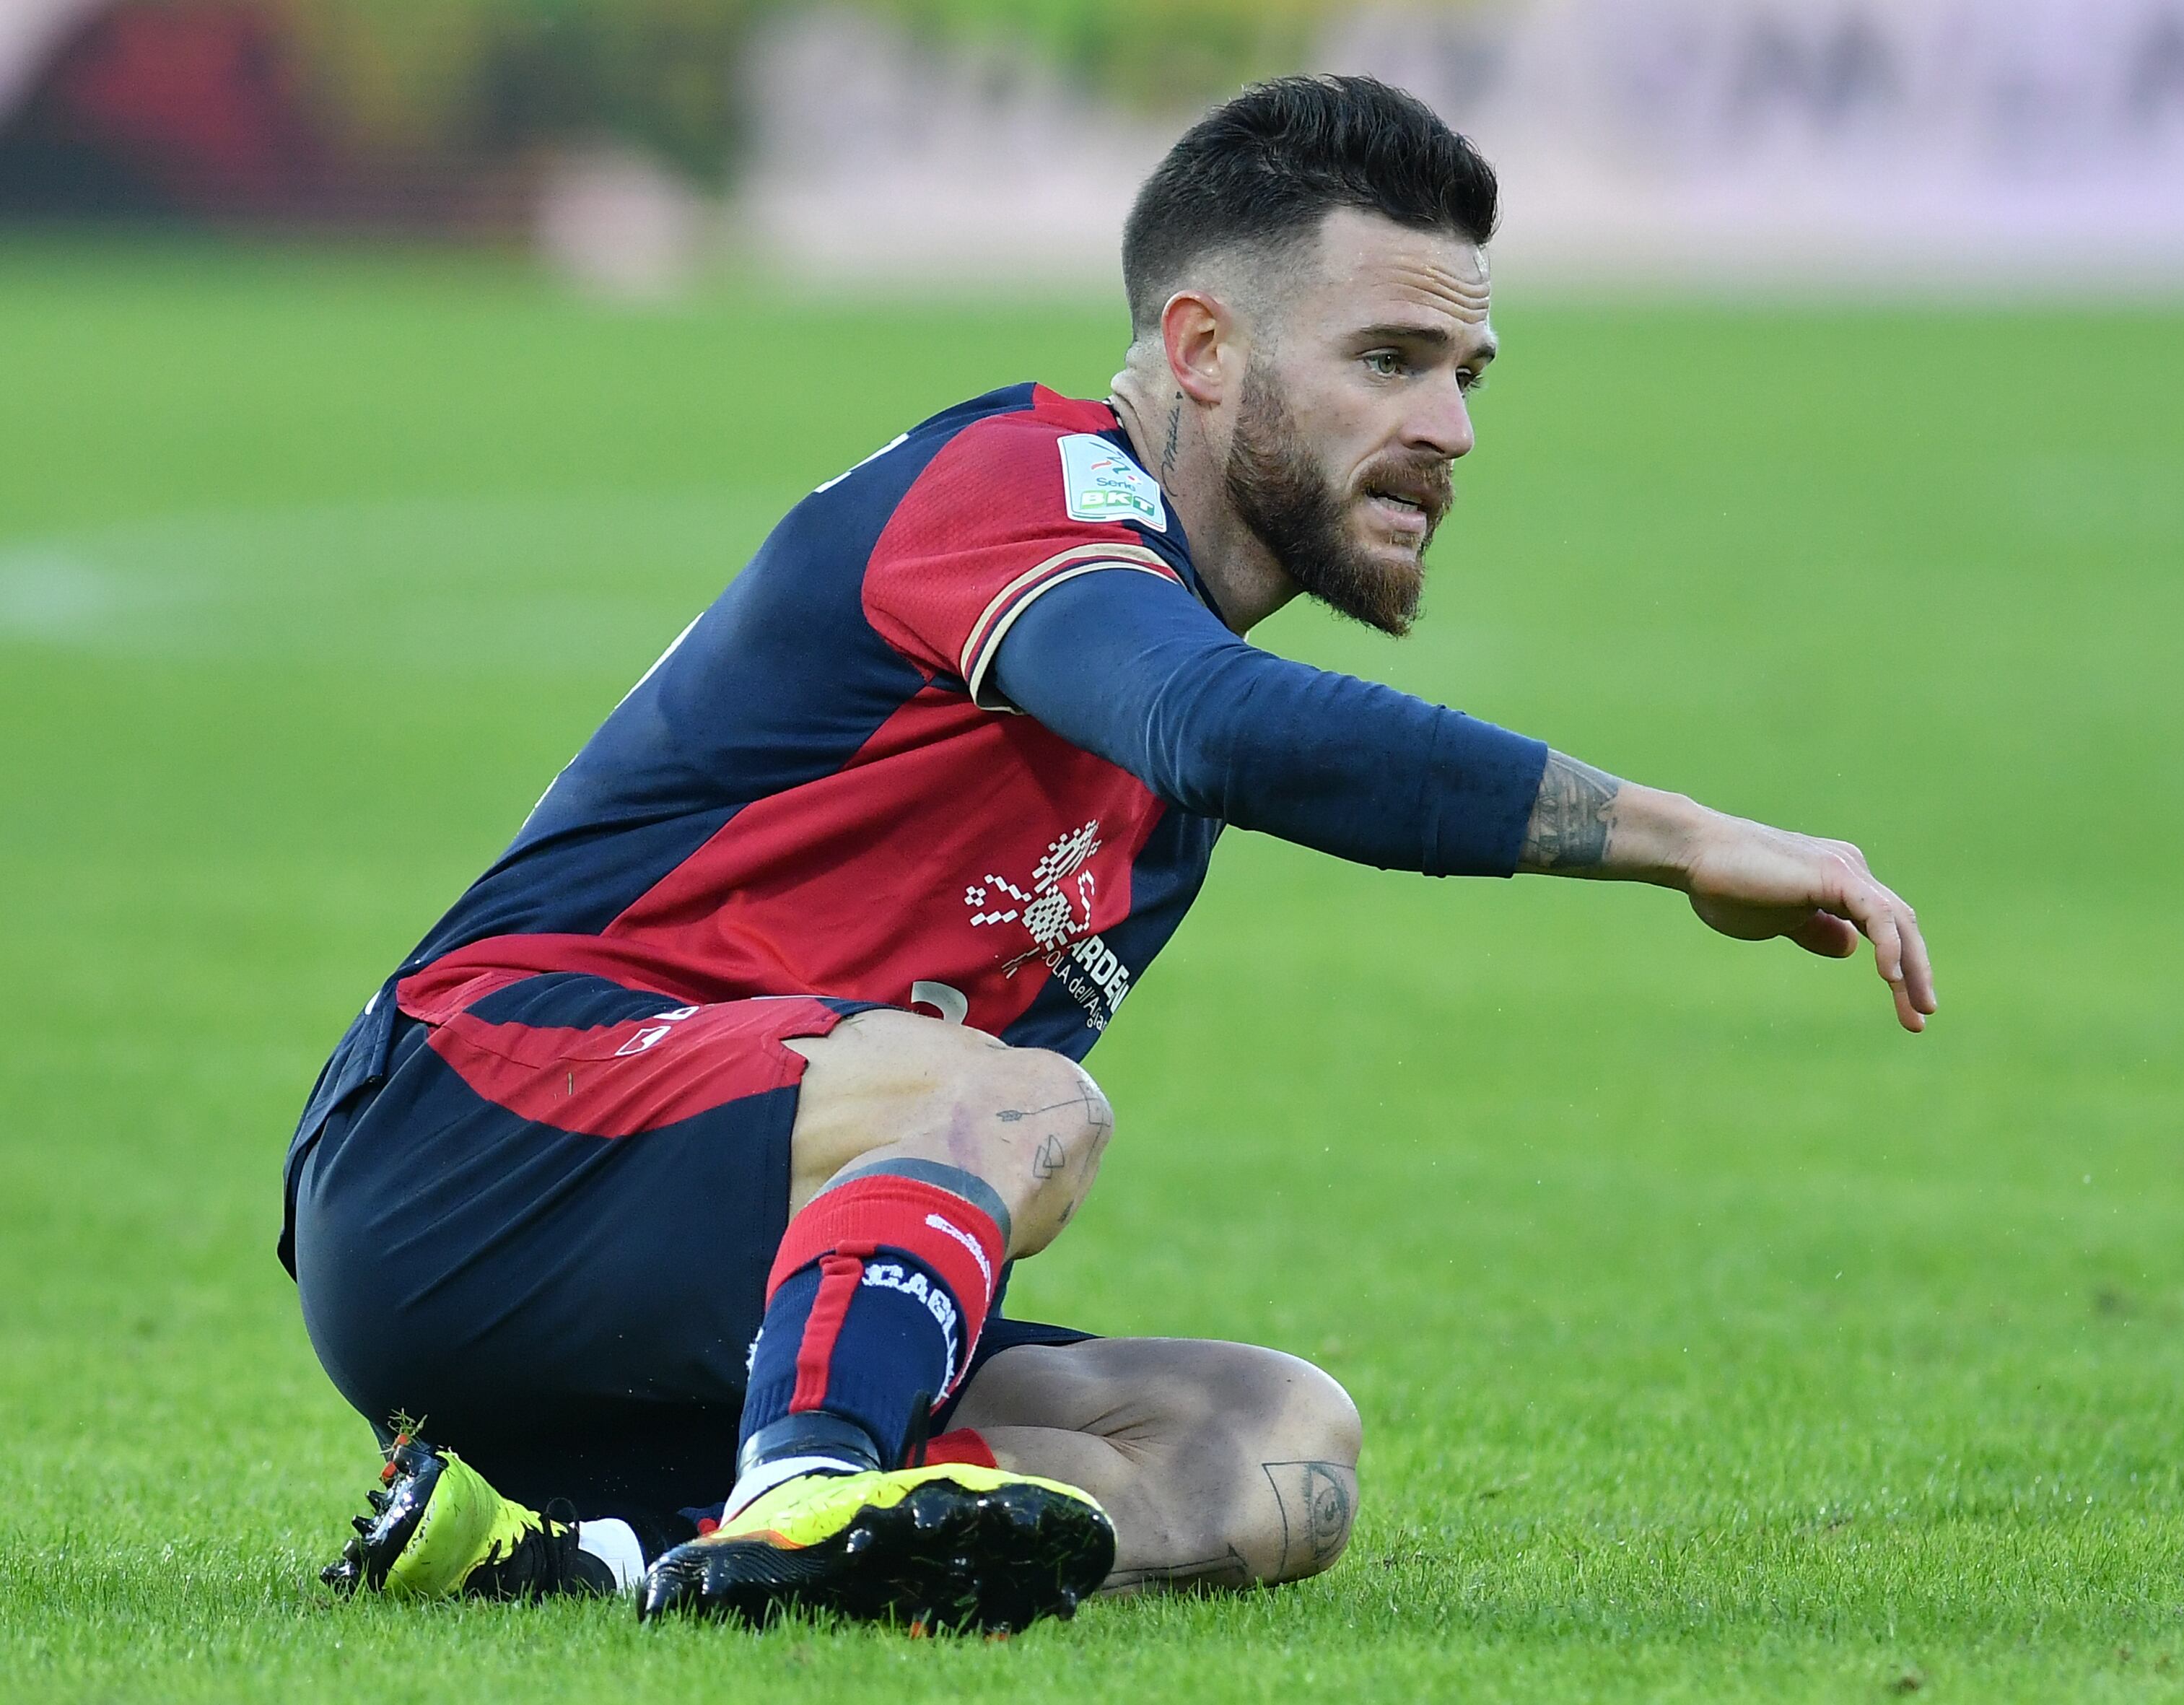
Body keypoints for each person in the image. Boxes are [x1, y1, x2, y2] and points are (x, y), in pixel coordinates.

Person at [287, 74, 1936, 1633]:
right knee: (1014, 1095)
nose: (1449, 426)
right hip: (471, 1137)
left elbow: (1193, 743)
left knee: (1267, 1451)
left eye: (1467, 373)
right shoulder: (1022, 483)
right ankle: (806, 1490)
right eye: (1389, 358)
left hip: (666, 1280)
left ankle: (601, 1552)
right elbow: (1224, 724)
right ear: (1203, 347)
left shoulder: (1157, 799)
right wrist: (1685, 838)